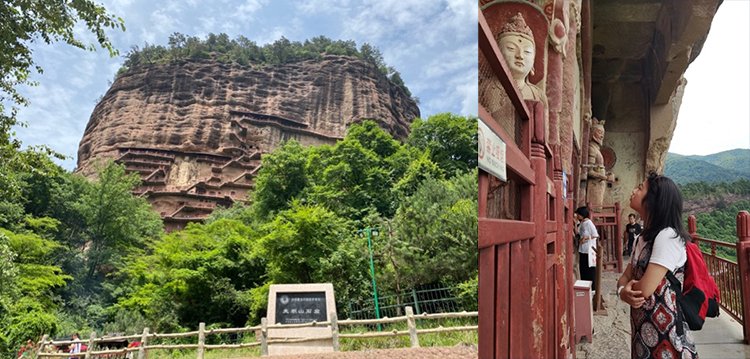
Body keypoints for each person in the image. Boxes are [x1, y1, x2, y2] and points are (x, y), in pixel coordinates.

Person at [616, 172, 698, 358]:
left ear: (654, 200)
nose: (634, 191)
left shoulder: (667, 236)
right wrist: (622, 291)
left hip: (666, 337)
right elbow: (623, 279)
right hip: (643, 334)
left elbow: (644, 289)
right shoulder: (640, 239)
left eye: (640, 188)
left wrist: (625, 288)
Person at [575, 206, 598, 287]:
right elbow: (577, 232)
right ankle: (585, 287)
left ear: (582, 214)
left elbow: (595, 235)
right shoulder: (582, 222)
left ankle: (592, 289)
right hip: (582, 249)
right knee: (583, 269)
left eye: (578, 214)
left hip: (589, 250)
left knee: (589, 271)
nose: (577, 216)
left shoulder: (589, 223)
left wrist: (586, 238)